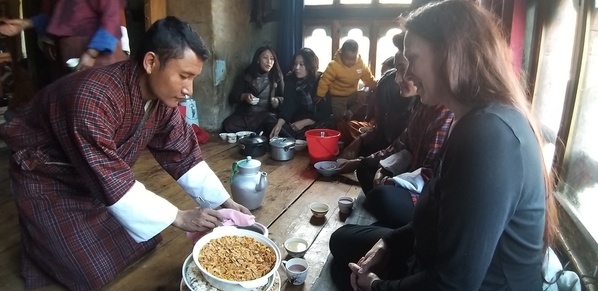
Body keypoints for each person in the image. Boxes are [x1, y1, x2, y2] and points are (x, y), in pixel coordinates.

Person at [0, 16, 250, 291]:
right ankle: (40, 244)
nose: (188, 90)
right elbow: (111, 177)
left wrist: (224, 203)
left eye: (193, 78)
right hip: (48, 180)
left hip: (95, 180)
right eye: (184, 76)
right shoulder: (92, 98)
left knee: (145, 240)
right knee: (90, 273)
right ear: (151, 62)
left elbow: (184, 154)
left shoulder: (162, 102)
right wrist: (180, 216)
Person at [329, 1, 558, 290]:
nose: (407, 74)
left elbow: (454, 284)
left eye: (413, 59)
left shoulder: (488, 135)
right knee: (344, 240)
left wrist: (376, 286)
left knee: (346, 273)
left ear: (450, 55)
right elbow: (437, 216)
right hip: (430, 255)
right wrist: (386, 244)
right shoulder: (470, 121)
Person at [0, 0, 128, 75]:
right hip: (76, 59)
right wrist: (24, 24)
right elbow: (62, 19)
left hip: (99, 61)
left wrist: (91, 54)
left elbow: (111, 20)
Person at [267, 48, 334, 139]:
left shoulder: (321, 81)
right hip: (297, 120)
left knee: (327, 125)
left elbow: (325, 111)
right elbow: (288, 106)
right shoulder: (290, 79)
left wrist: (305, 122)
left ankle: (300, 138)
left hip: (317, 121)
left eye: (301, 64)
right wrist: (278, 125)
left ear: (310, 65)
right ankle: (297, 138)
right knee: (269, 119)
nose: (296, 68)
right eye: (295, 64)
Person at [222, 46, 284, 134]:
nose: (269, 62)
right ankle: (258, 132)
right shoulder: (247, 75)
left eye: (272, 59)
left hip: (266, 114)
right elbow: (232, 97)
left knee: (272, 122)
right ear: (258, 60)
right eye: (265, 58)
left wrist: (277, 101)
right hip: (247, 114)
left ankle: (255, 132)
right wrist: (244, 96)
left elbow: (285, 98)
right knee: (228, 125)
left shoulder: (276, 77)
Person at [316, 39, 377, 123]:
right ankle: (342, 122)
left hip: (353, 93)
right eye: (347, 59)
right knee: (338, 114)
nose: (351, 62)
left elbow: (368, 77)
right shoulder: (334, 65)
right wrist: (320, 94)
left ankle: (350, 112)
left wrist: (375, 85)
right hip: (338, 96)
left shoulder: (360, 64)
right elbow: (325, 80)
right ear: (341, 55)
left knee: (363, 99)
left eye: (353, 58)